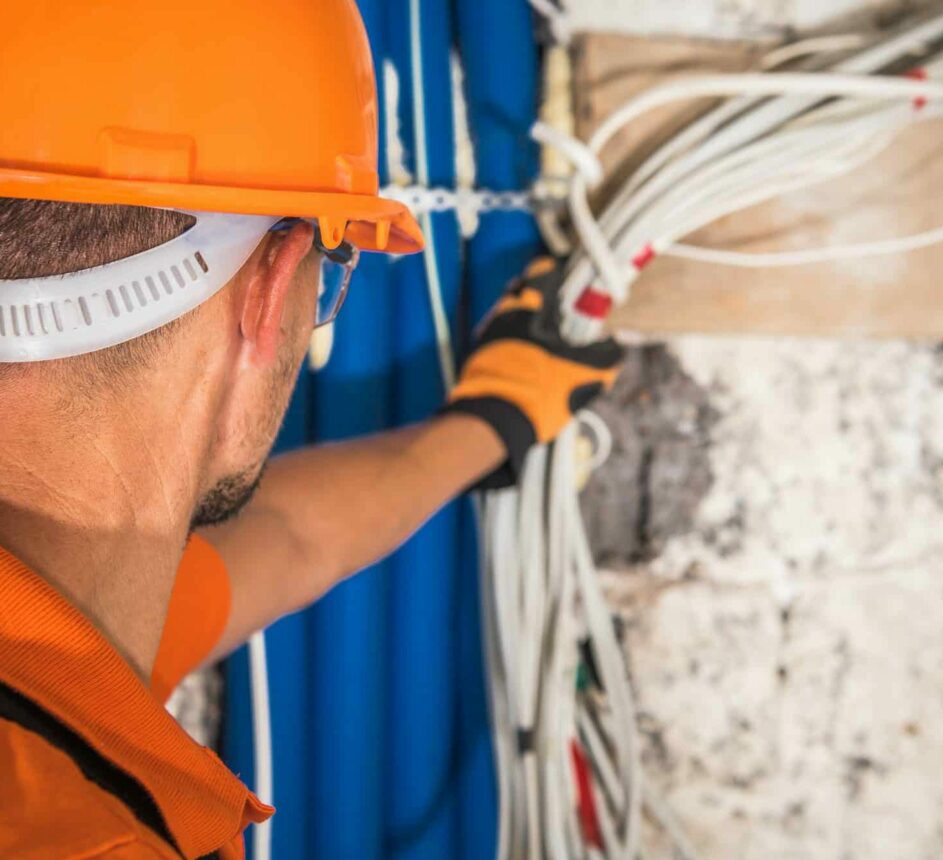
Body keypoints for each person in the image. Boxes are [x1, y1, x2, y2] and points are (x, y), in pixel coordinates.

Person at [0, 2, 621, 858]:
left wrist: (490, 420)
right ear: (270, 285)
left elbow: (291, 538)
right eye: (332, 268)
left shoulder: (60, 630)